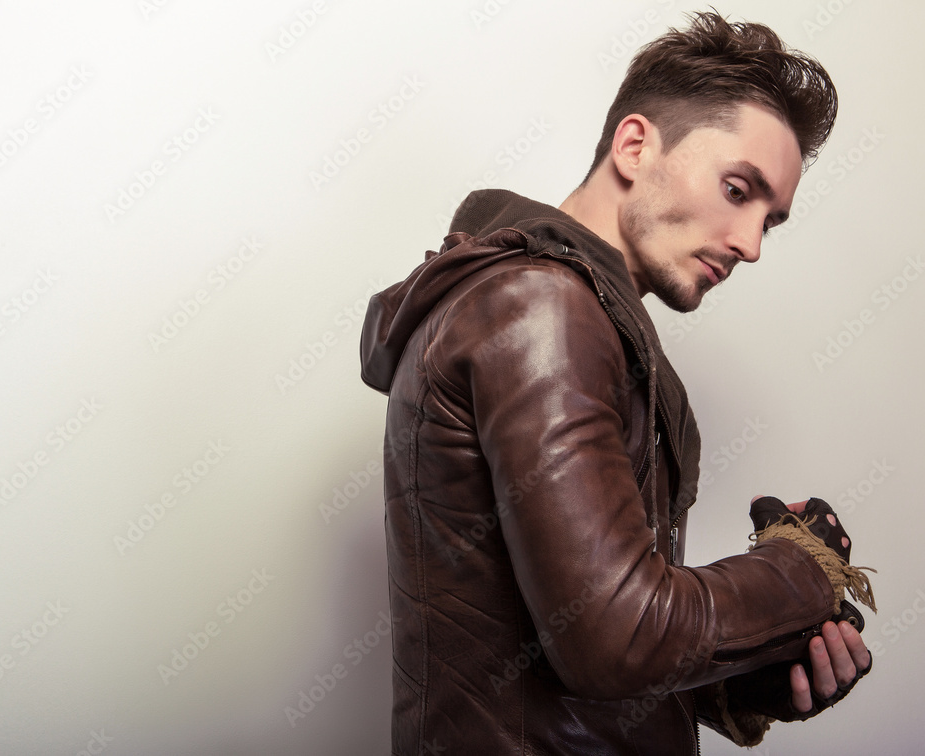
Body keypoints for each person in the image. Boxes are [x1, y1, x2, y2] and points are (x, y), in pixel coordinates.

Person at [359, 11, 875, 754]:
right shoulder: (541, 309)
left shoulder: (556, 310)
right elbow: (616, 638)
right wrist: (802, 571)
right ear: (635, 145)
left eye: (773, 220)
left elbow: (567, 643)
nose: (752, 245)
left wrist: (752, 674)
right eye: (738, 189)